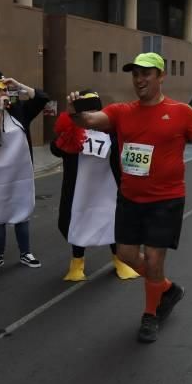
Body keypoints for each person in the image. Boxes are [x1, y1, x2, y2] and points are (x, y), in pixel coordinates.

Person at [67, 53, 192, 343]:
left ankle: (150, 314)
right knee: (126, 255)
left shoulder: (181, 113)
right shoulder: (122, 111)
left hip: (166, 200)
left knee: (153, 258)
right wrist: (76, 112)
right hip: (129, 198)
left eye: (146, 74)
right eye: (135, 74)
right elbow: (89, 119)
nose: (139, 79)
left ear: (161, 76)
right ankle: (166, 287)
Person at [50, 90, 139, 282]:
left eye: (94, 109)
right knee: (78, 222)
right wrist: (68, 130)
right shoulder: (73, 129)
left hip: (106, 187)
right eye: (86, 109)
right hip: (80, 189)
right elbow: (56, 149)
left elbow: (124, 151)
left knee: (112, 221)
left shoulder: (110, 132)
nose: (90, 114)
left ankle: (120, 261)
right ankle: (77, 263)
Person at [0, 69, 49, 272]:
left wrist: (18, 85)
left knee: (22, 211)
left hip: (21, 175)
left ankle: (25, 252)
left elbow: (42, 98)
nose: (2, 95)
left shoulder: (20, 110)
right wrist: (0, 111)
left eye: (4, 91)